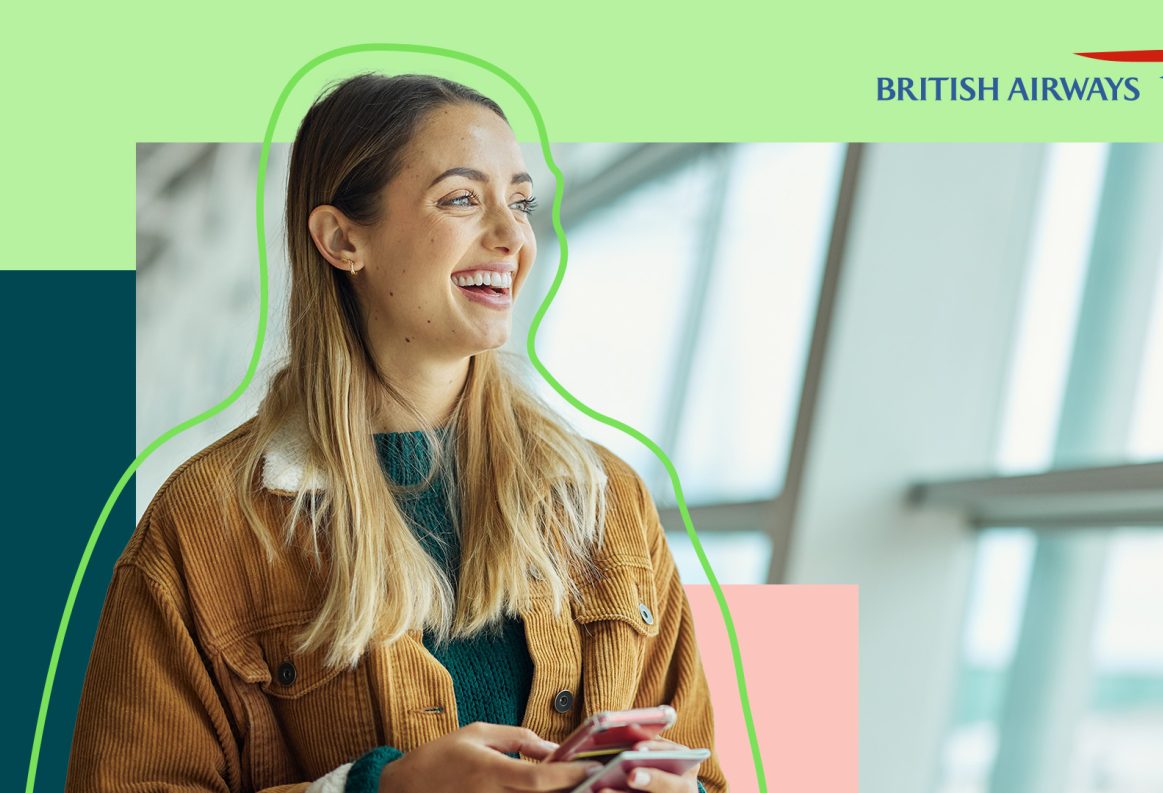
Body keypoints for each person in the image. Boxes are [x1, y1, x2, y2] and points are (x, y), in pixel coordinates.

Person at [66, 72, 725, 793]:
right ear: (343, 239)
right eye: (462, 199)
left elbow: (705, 773)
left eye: (521, 202)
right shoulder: (203, 527)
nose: (512, 238)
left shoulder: (609, 502)